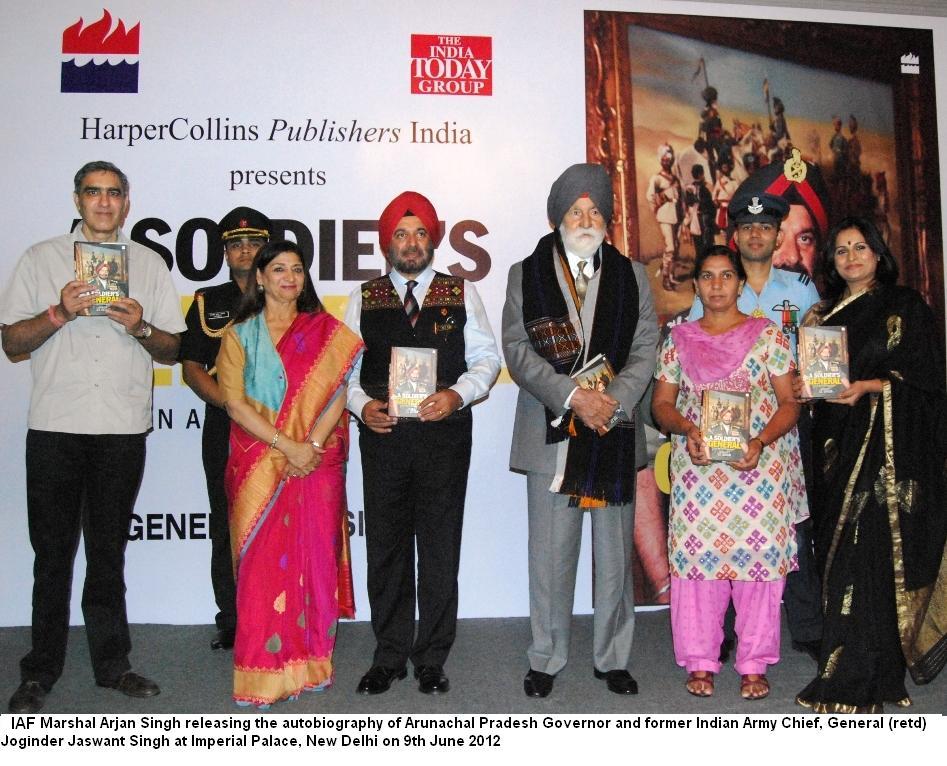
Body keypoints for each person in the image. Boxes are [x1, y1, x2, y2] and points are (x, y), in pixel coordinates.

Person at [1, 161, 185, 714]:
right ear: (77, 199)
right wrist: (59, 312)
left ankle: (113, 665)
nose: (104, 203)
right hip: (56, 426)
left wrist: (140, 327)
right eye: (93, 192)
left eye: (113, 193)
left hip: (121, 429)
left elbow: (173, 348)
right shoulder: (41, 258)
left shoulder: (149, 265)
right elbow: (11, 341)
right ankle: (40, 671)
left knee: (108, 553)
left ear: (127, 203)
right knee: (52, 555)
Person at [503, 163, 658, 698]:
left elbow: (645, 348)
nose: (585, 219)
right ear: (557, 218)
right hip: (554, 434)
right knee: (550, 555)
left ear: (608, 221)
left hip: (612, 429)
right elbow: (518, 352)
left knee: (614, 555)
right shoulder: (526, 274)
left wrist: (609, 402)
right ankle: (545, 656)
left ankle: (612, 656)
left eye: (595, 211)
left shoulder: (632, 276)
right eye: (576, 211)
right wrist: (574, 398)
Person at [344, 191, 500, 695]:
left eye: (420, 234)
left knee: (438, 548)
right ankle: (388, 655)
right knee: (386, 548)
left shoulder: (460, 291)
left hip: (443, 439)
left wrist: (457, 395)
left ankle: (432, 657)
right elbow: (342, 370)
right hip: (384, 439)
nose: (411, 243)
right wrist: (359, 406)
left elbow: (487, 360)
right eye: (401, 234)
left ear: (432, 240)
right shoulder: (364, 297)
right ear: (387, 243)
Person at [796, 217, 947, 712]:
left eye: (860, 247)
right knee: (837, 556)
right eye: (841, 251)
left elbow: (927, 381)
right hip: (835, 452)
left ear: (878, 253)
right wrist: (806, 389)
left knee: (874, 557)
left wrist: (871, 387)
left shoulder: (904, 306)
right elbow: (818, 386)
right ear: (832, 263)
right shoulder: (822, 317)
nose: (851, 257)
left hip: (885, 458)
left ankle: (878, 674)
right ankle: (838, 665)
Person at [653, 244, 804, 700]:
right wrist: (687, 428)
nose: (716, 284)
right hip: (699, 471)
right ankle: (701, 660)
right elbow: (662, 406)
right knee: (697, 568)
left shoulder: (769, 336)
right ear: (696, 284)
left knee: (759, 567)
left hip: (757, 470)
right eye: (707, 276)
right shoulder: (678, 338)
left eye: (725, 276)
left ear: (740, 283)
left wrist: (759, 442)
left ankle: (754, 662)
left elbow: (789, 404)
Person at [216, 240, 363, 708]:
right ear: (259, 277)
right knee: (262, 570)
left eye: (297, 270)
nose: (289, 278)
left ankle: (314, 661)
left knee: (315, 559)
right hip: (261, 461)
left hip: (316, 462)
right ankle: (262, 675)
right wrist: (287, 446)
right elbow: (234, 402)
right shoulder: (240, 336)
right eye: (278, 269)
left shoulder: (327, 332)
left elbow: (339, 390)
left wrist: (313, 446)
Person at [688, 186, 822, 664]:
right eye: (747, 227)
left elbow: (820, 344)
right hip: (726, 425)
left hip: (784, 422)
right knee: (725, 524)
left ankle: (806, 625)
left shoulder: (800, 288)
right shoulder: (719, 284)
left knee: (794, 523)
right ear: (736, 235)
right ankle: (725, 631)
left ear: (776, 233)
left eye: (766, 226)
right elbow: (690, 351)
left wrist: (817, 379)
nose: (757, 234)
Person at [180, 206, 271, 652]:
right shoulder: (208, 301)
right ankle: (232, 618)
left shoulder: (287, 291)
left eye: (254, 243)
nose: (245, 250)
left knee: (277, 520)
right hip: (225, 427)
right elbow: (192, 367)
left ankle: (277, 611)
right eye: (236, 243)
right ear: (224, 252)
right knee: (227, 522)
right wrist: (228, 405)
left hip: (277, 426)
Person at [647, 144, 683, 290]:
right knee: (670, 247)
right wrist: (659, 204)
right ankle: (665, 278)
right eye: (665, 159)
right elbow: (650, 196)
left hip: (676, 215)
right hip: (664, 215)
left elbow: (681, 199)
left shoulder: (675, 178)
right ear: (661, 160)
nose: (667, 162)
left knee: (676, 247)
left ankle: (671, 275)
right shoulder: (656, 178)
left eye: (670, 159)